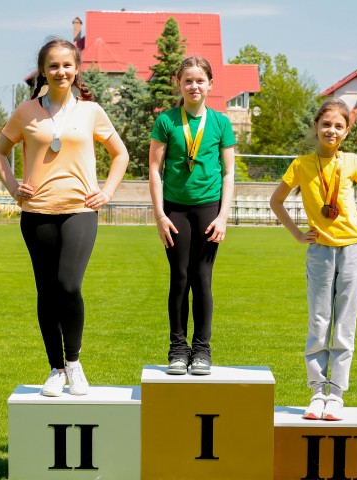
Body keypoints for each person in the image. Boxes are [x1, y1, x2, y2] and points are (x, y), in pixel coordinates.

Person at [0, 37, 128, 397]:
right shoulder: (26, 112)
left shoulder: (92, 111)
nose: (60, 71)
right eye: (53, 65)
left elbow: (121, 154)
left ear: (77, 69)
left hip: (80, 211)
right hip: (37, 213)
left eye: (67, 65)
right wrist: (13, 187)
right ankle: (55, 369)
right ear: (43, 70)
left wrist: (107, 192)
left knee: (68, 286)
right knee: (47, 292)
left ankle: (74, 362)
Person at [269, 98, 357, 420]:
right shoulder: (301, 165)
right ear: (316, 127)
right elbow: (276, 201)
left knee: (344, 326)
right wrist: (297, 234)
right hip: (320, 253)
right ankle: (316, 393)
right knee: (319, 321)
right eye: (326, 124)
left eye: (339, 126)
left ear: (347, 131)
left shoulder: (352, 162)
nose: (331, 131)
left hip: (354, 251)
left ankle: (336, 396)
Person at [148, 56, 236, 376]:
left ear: (210, 84)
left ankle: (201, 350)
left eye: (200, 81)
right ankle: (177, 349)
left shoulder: (221, 123)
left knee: (202, 279)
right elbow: (154, 170)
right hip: (175, 211)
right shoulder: (167, 121)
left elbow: (229, 173)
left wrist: (223, 216)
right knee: (179, 278)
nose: (194, 86)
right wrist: (160, 215)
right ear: (179, 84)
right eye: (188, 81)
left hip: (209, 209)